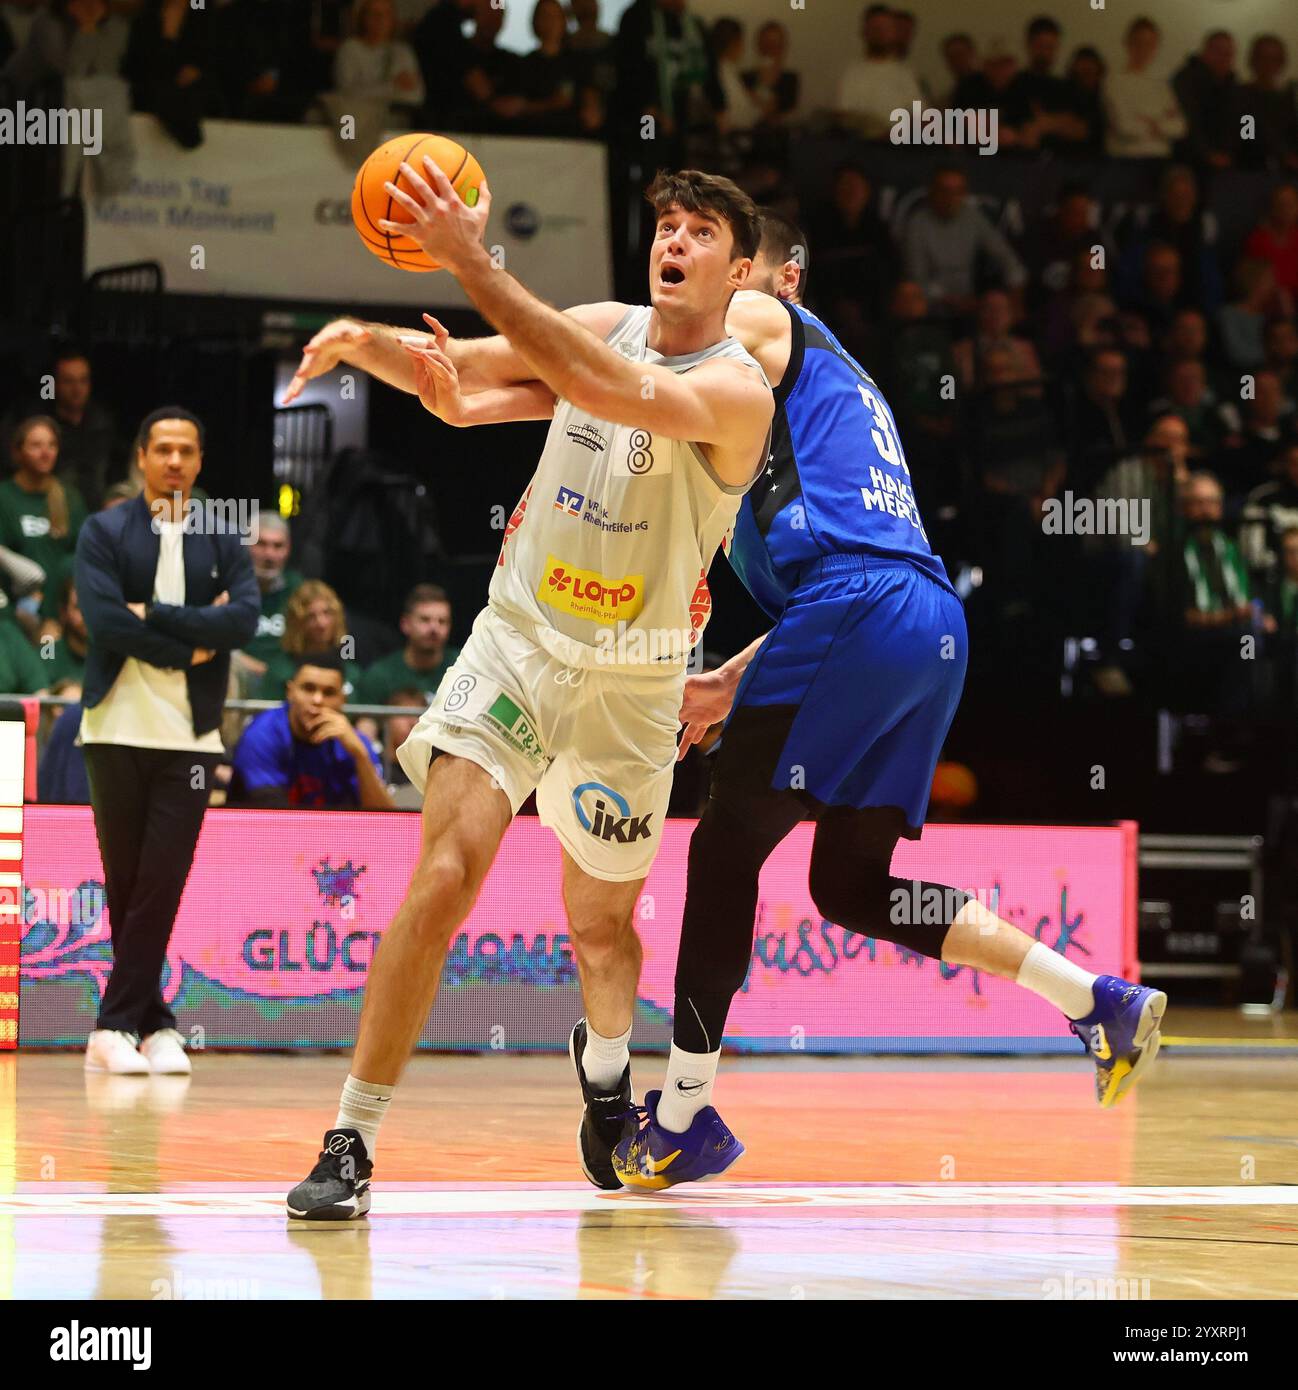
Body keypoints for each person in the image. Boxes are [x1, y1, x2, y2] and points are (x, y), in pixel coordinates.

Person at [409, 213, 1170, 1190]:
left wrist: (484, 352)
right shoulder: (787, 408)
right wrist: (729, 679)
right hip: (919, 622)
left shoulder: (762, 323)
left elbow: (614, 382)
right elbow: (616, 407)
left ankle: (680, 1113)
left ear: (779, 278)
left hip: (860, 605)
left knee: (723, 848)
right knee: (849, 887)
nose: (703, 298)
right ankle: (1093, 999)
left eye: (730, 270)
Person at [279, 166, 773, 1217]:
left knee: (599, 929)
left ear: (737, 270)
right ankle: (350, 1138)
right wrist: (365, 342)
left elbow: (591, 385)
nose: (671, 242)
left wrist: (471, 257)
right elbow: (459, 369)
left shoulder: (737, 392)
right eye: (664, 227)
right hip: (516, 642)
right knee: (443, 877)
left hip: (636, 685)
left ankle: (604, 1076)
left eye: (698, 233)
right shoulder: (601, 325)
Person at [74, 406, 259, 1076]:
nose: (175, 461)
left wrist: (154, 615)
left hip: (190, 736)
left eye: (187, 450)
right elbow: (102, 623)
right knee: (127, 882)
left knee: (161, 878)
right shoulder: (105, 529)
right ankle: (151, 1026)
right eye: (163, 450)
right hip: (113, 727)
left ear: (200, 461)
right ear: (142, 456)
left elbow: (242, 620)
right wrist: (189, 645)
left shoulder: (223, 538)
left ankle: (115, 1024)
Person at [230, 651, 392, 810]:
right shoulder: (262, 735)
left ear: (343, 700)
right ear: (290, 692)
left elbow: (386, 819)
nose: (317, 700)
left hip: (336, 833)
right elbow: (272, 815)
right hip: (267, 833)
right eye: (308, 688)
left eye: (329, 692)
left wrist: (361, 757)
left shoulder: (354, 742)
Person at [0, 416, 88, 638]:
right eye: (36, 445)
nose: (45, 452)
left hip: (60, 618)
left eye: (51, 445)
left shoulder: (69, 497)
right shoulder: (4, 497)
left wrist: (60, 613)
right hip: (12, 615)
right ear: (17, 452)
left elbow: (81, 556)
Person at [252, 578, 361, 701]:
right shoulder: (280, 672)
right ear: (297, 623)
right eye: (311, 617)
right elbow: (269, 717)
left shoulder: (351, 672)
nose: (321, 624)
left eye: (327, 613)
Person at [353, 582, 457, 706]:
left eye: (442, 621)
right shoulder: (380, 675)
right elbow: (366, 724)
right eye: (425, 620)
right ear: (405, 624)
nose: (434, 628)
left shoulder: (465, 665)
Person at [1104, 16, 1186, 159]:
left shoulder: (1160, 85)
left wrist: (1146, 121)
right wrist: (1160, 122)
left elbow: (1180, 127)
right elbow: (1125, 127)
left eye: (1149, 44)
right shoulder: (1115, 81)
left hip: (1160, 159)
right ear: (1128, 43)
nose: (1144, 49)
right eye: (1139, 43)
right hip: (1127, 159)